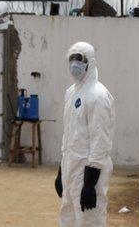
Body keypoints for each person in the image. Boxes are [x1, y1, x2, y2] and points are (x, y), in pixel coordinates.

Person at [55, 42, 116, 227]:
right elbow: (69, 135)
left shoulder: (98, 95)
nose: (75, 63)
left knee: (90, 221)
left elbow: (100, 139)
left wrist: (90, 183)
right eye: (72, 58)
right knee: (68, 219)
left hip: (88, 172)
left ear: (90, 62)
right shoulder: (71, 93)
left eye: (79, 58)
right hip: (70, 169)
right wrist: (61, 171)